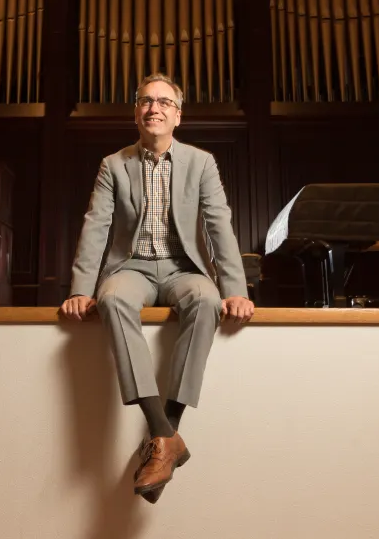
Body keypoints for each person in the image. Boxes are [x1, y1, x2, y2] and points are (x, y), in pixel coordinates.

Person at [60, 72, 254, 501]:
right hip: (133, 266)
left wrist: (234, 288)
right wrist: (81, 288)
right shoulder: (114, 165)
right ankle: (166, 435)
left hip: (185, 269)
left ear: (177, 116)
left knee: (207, 302)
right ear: (136, 112)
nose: (154, 108)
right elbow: (96, 227)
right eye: (147, 101)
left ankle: (163, 438)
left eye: (164, 102)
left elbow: (219, 225)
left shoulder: (201, 163)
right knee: (110, 300)